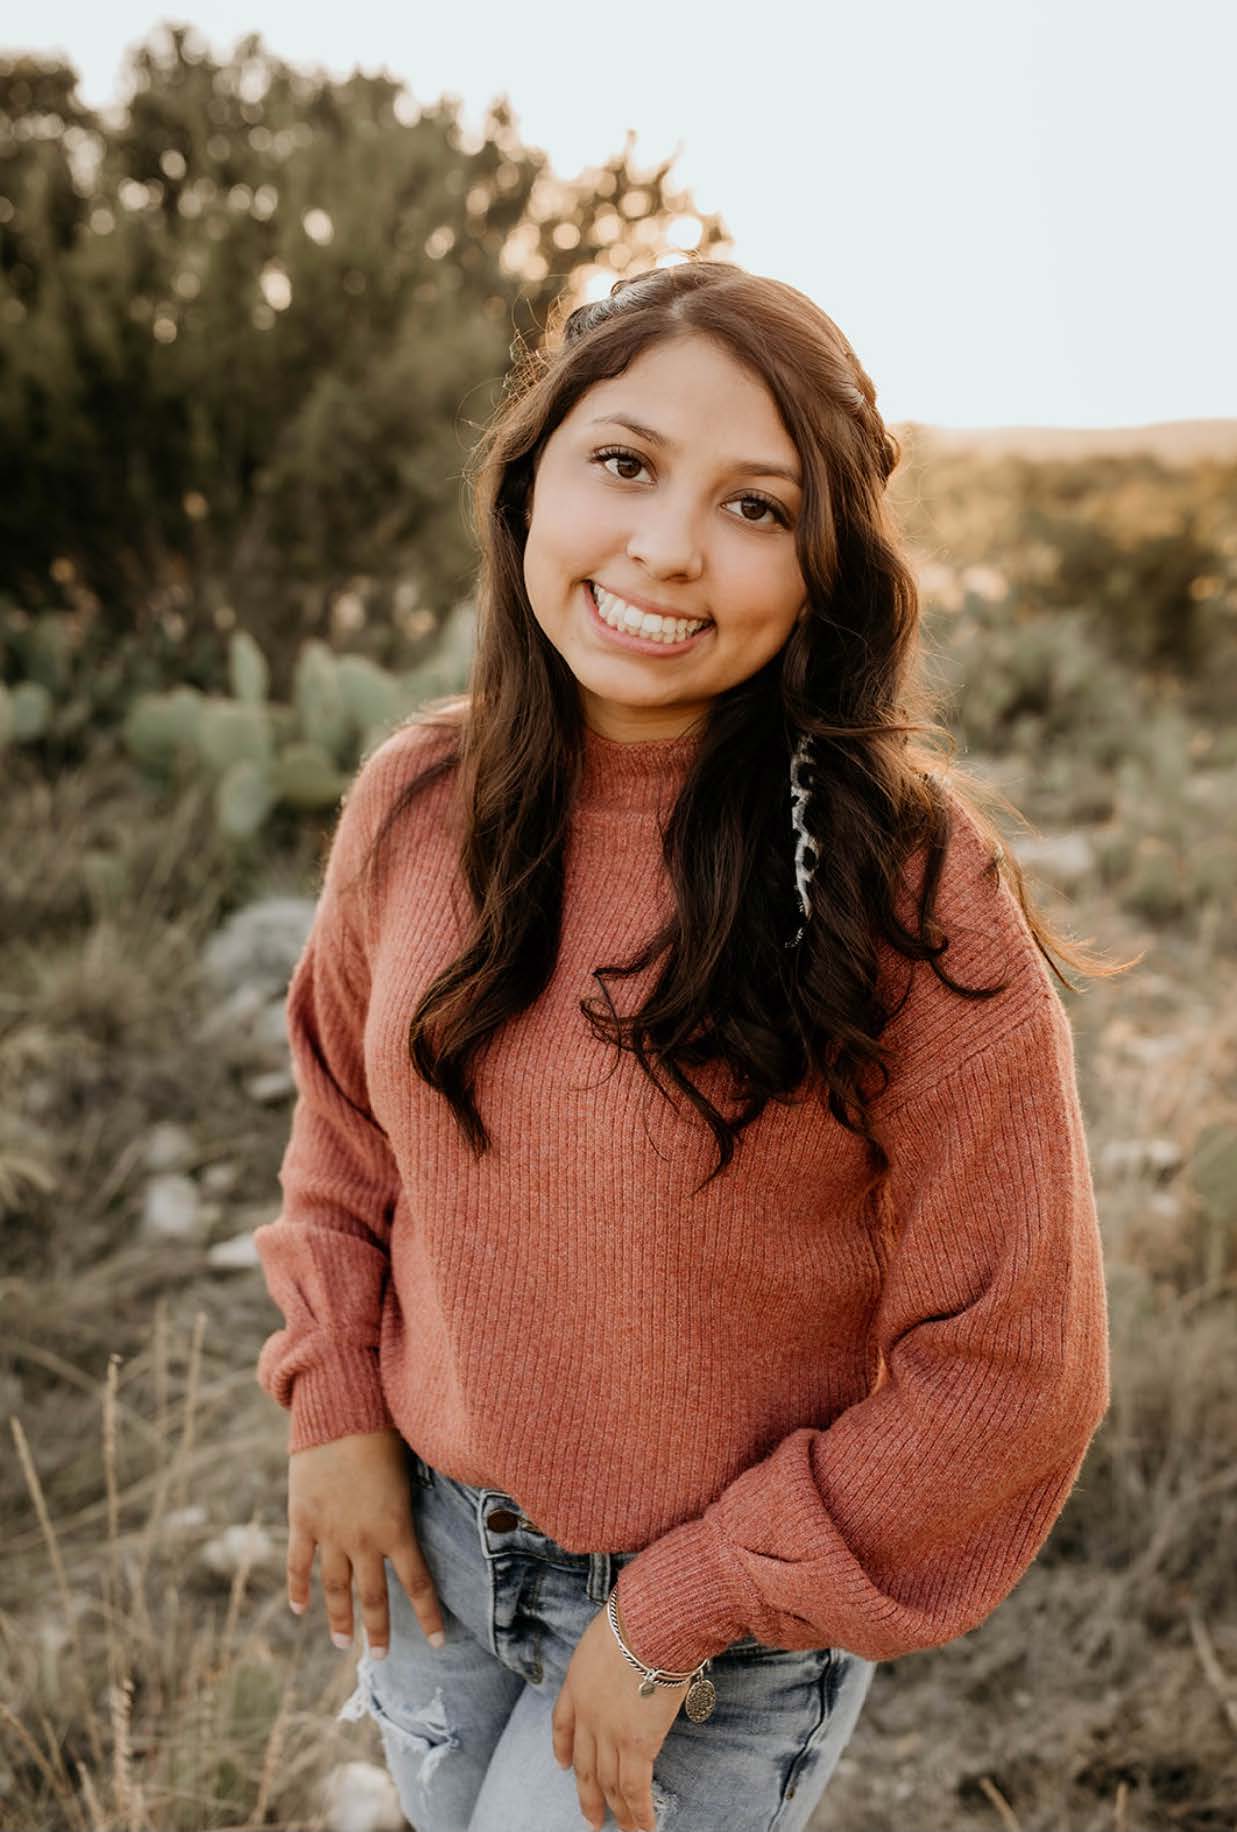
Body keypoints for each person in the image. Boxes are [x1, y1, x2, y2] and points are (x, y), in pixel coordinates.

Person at [253, 259, 1124, 1832]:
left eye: (755, 507)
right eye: (625, 463)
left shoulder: (907, 889)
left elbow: (1009, 1366)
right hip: (434, 1551)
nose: (664, 547)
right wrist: (333, 1404)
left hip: (720, 1628)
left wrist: (681, 1608)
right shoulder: (414, 804)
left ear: (821, 568)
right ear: (533, 480)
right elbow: (343, 1131)